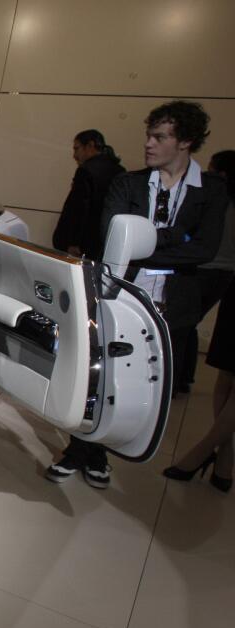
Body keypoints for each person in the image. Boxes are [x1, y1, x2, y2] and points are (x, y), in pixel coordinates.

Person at [46, 100, 227, 489]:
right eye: (149, 134)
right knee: (99, 375)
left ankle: (101, 452)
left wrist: (148, 242)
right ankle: (81, 451)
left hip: (173, 301)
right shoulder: (127, 182)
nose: (148, 143)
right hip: (121, 292)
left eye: (160, 137)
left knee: (136, 383)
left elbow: (205, 249)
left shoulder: (211, 191)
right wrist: (177, 237)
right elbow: (115, 236)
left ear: (186, 142)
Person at [164, 152, 235, 493]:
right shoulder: (220, 198)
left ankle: (203, 450)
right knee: (225, 370)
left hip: (205, 271)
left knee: (180, 329)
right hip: (230, 281)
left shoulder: (213, 198)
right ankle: (225, 458)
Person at [185, 150, 235, 389]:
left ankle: (177, 378)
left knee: (182, 323)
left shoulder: (213, 200)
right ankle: (184, 378)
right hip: (226, 272)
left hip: (203, 267)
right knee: (190, 322)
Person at [52, 129, 124, 259]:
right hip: (104, 242)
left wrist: (73, 241)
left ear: (90, 145)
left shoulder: (86, 170)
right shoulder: (121, 172)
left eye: (77, 149)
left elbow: (79, 209)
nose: (74, 155)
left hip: (82, 244)